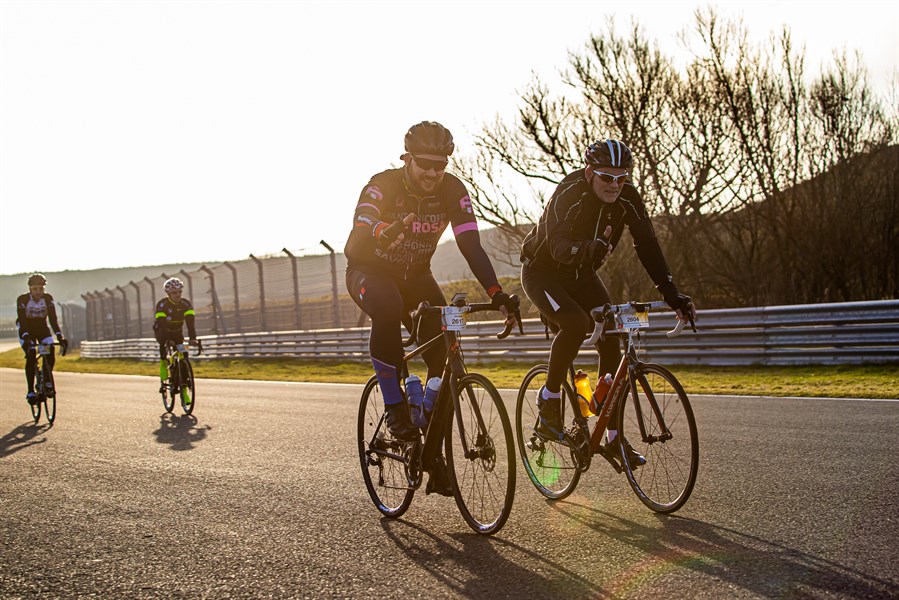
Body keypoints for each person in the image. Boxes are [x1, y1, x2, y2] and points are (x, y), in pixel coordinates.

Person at [344, 120, 518, 496]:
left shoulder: (453, 191)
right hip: (368, 271)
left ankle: (432, 456)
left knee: (447, 353)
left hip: (416, 278)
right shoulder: (383, 184)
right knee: (387, 305)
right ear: (407, 159)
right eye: (425, 163)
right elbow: (355, 243)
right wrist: (382, 231)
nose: (433, 172)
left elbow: (471, 245)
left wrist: (497, 292)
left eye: (441, 164)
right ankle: (395, 407)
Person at [519, 139, 696, 468]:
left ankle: (612, 437)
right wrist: (588, 248)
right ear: (589, 173)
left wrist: (671, 293)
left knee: (612, 333)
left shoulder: (627, 197)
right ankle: (549, 400)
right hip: (543, 273)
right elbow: (557, 245)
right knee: (576, 323)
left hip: (583, 274)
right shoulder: (569, 192)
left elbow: (647, 244)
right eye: (606, 177)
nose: (615, 185)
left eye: (622, 177)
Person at [16, 273, 68, 404]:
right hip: (26, 329)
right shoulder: (22, 300)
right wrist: (27, 338)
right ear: (30, 289)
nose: (38, 292)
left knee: (49, 349)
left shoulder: (47, 298)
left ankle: (46, 379)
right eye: (35, 289)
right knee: (32, 353)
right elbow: (22, 321)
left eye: (41, 288)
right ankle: (30, 391)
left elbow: (53, 319)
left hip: (42, 329)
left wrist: (59, 335)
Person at [154, 277, 197, 393]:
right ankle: (163, 368)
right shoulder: (162, 305)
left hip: (178, 332)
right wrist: (167, 339)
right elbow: (161, 325)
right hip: (162, 331)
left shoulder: (186, 304)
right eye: (174, 293)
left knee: (184, 353)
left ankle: (184, 382)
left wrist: (193, 338)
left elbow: (190, 323)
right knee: (164, 346)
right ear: (168, 293)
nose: (177, 295)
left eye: (179, 292)